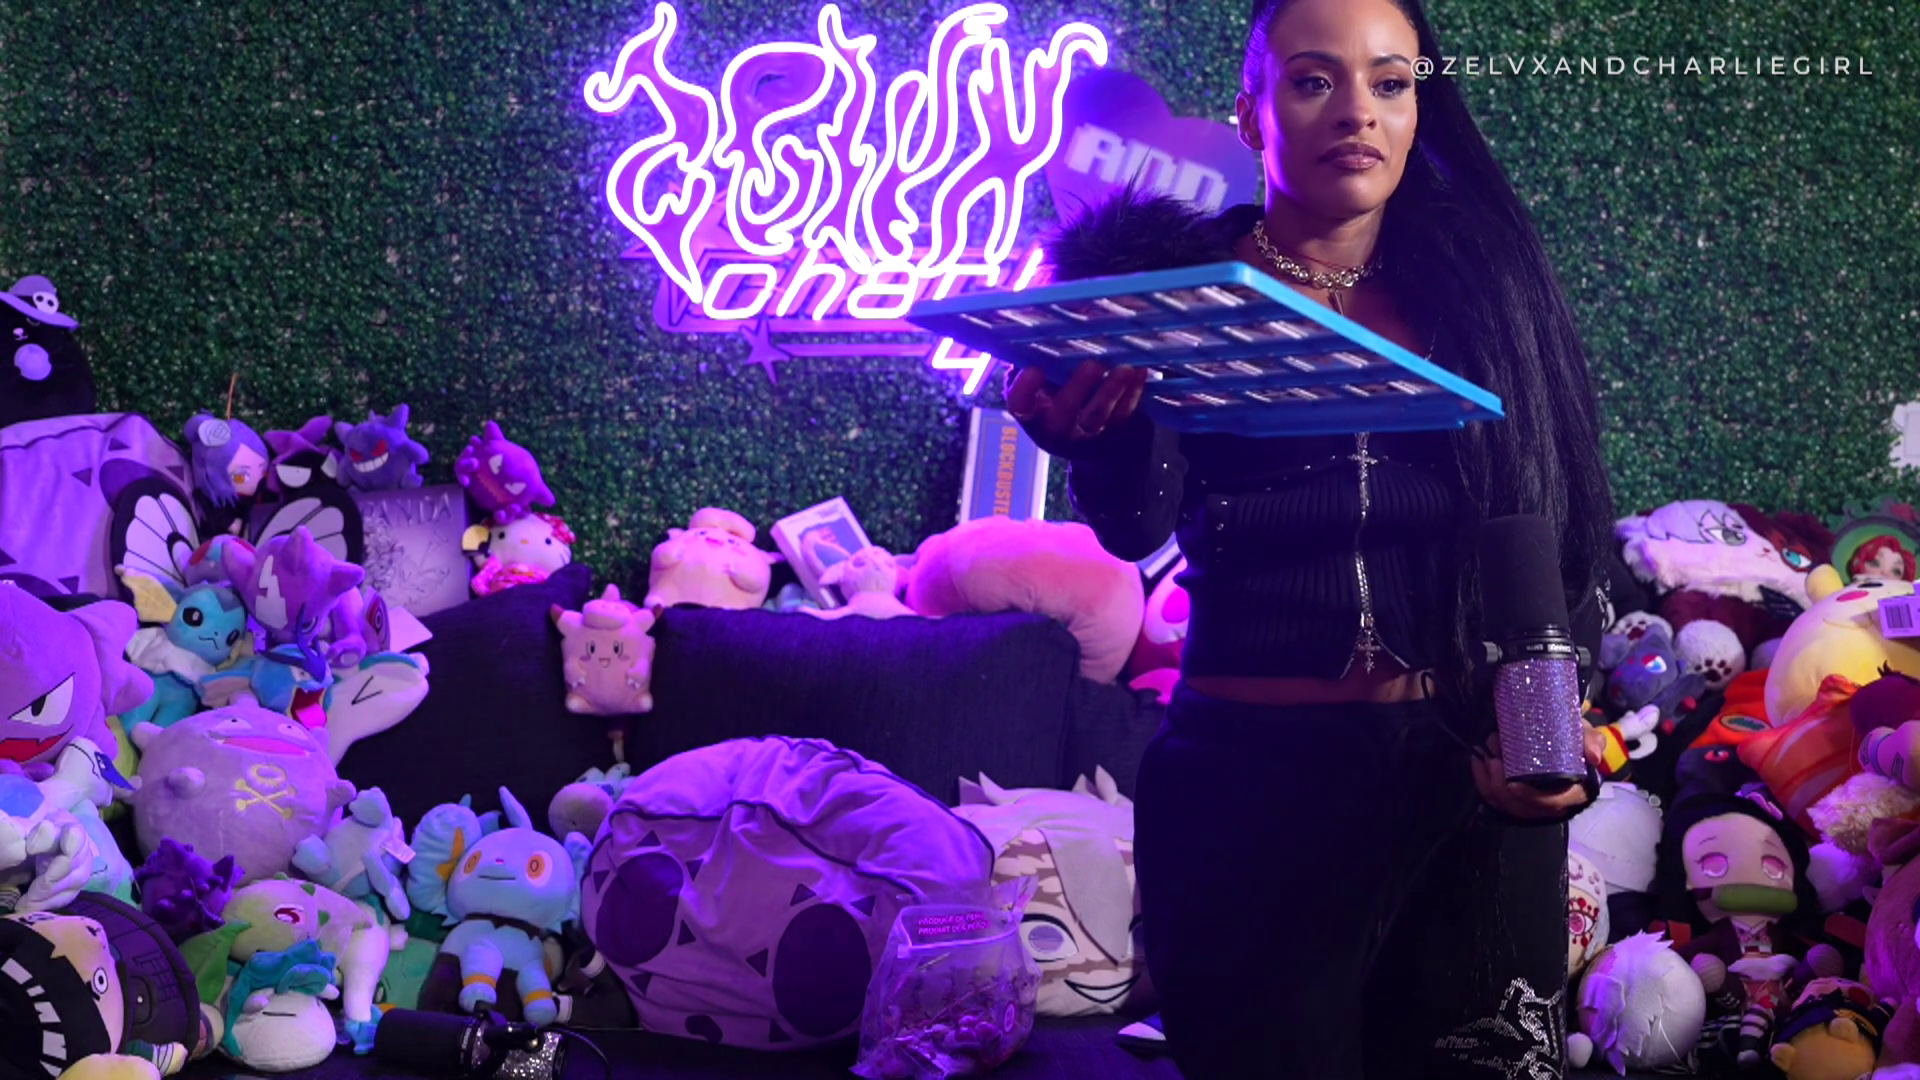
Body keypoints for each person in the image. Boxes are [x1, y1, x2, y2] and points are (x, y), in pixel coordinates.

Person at [1003, 0, 1617, 1076]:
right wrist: (1090, 439)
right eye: (1314, 79)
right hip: (1246, 790)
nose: (1358, 112)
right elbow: (1135, 524)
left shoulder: (1486, 293)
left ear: (1420, 108)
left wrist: (1554, 742)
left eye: (1391, 82)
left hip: (1462, 788)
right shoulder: (1174, 288)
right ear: (1253, 112)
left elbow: (1551, 522)